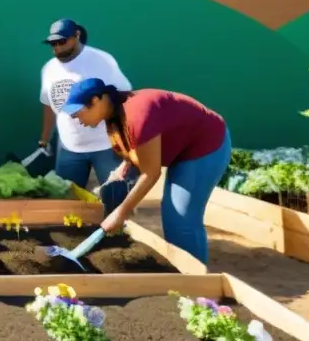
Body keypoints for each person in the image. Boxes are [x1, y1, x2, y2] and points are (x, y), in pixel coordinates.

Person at [62, 78, 231, 263]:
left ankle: (196, 284)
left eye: (77, 113)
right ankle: (183, 275)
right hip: (179, 146)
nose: (76, 120)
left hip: (205, 144)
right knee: (170, 216)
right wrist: (121, 171)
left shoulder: (137, 115)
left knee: (181, 219)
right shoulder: (113, 115)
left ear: (95, 101)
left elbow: (151, 174)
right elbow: (132, 151)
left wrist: (120, 213)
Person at [39, 18, 133, 189]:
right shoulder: (49, 69)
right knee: (68, 203)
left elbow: (125, 95)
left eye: (62, 41)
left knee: (117, 197)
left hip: (106, 145)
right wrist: (44, 138)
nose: (57, 48)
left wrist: (124, 137)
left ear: (77, 35)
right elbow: (47, 103)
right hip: (69, 146)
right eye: (53, 44)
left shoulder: (101, 60)